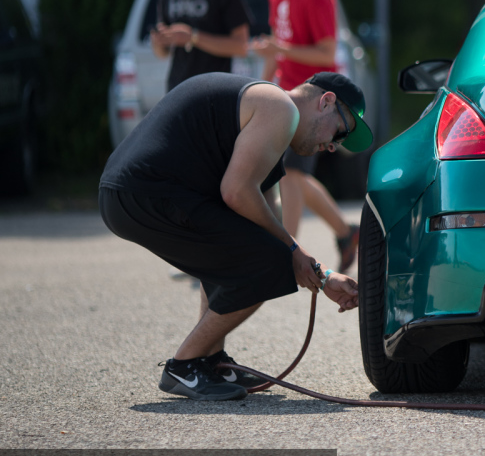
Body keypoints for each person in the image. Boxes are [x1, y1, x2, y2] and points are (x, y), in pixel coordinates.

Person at [99, 71, 373, 401]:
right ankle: (183, 365)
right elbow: (236, 192)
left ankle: (209, 361)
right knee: (267, 262)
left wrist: (322, 276)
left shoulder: (269, 117)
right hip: (144, 192)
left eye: (339, 144)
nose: (332, 146)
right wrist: (291, 254)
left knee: (252, 247)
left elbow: (269, 221)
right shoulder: (280, 109)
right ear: (326, 102)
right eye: (340, 132)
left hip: (129, 192)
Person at [251, 0, 360, 273]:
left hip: (314, 103)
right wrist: (261, 87)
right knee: (293, 175)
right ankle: (346, 232)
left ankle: (288, 250)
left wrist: (281, 48)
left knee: (292, 175)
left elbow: (326, 53)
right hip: (283, 96)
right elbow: (274, 48)